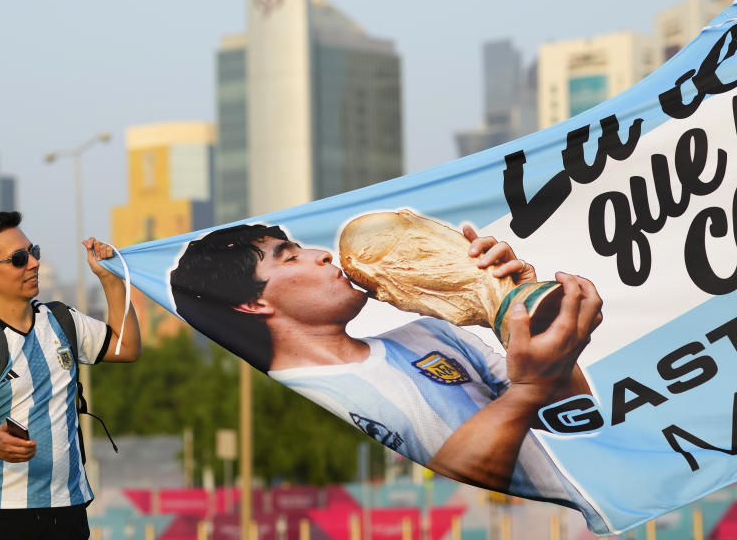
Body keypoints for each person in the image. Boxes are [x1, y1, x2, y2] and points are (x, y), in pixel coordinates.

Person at [170, 222, 606, 530]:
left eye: (300, 246)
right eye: (288, 258)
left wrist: (516, 311)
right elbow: (459, 467)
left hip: (603, 513)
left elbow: (577, 422)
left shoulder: (429, 332)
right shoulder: (294, 402)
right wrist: (528, 390)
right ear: (253, 304)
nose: (323, 254)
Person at [0, 211, 140, 539]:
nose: (34, 263)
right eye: (19, 259)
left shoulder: (63, 320)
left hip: (68, 510)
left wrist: (110, 279)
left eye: (33, 252)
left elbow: (127, 347)